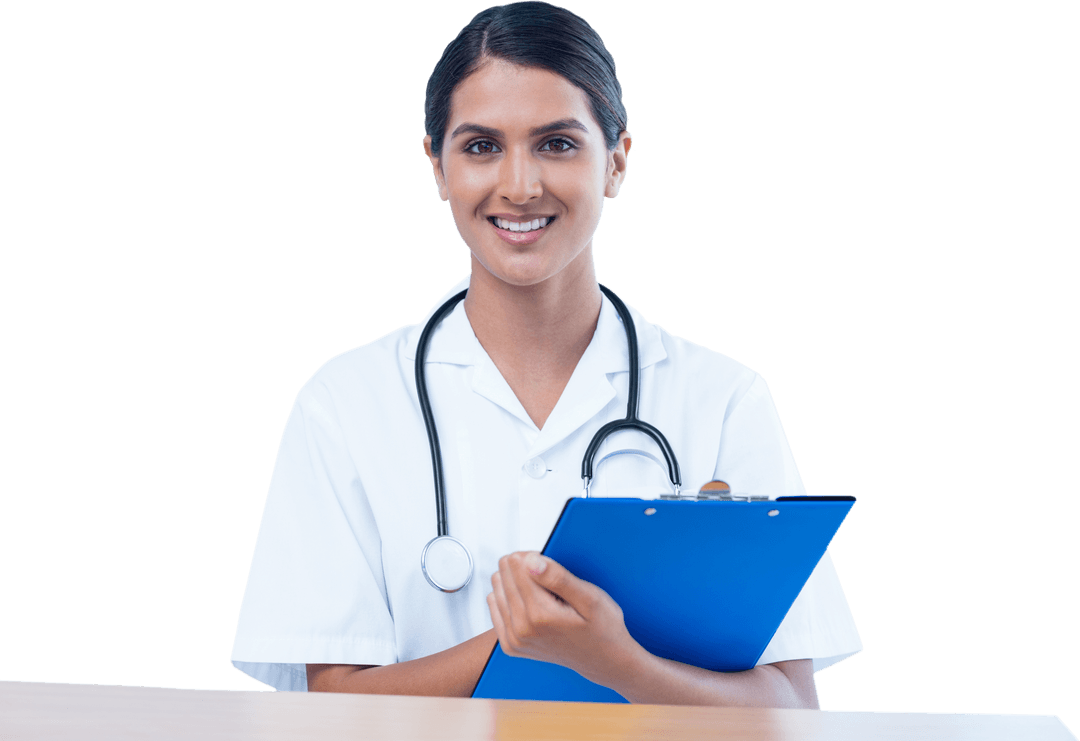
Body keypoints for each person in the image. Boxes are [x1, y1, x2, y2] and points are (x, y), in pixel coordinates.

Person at [230, 1, 862, 707]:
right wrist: (525, 636)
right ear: (437, 168)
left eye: (557, 144)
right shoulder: (344, 404)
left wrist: (613, 658)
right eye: (480, 147)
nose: (520, 185)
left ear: (616, 161)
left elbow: (791, 708)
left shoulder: (722, 399)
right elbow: (328, 708)